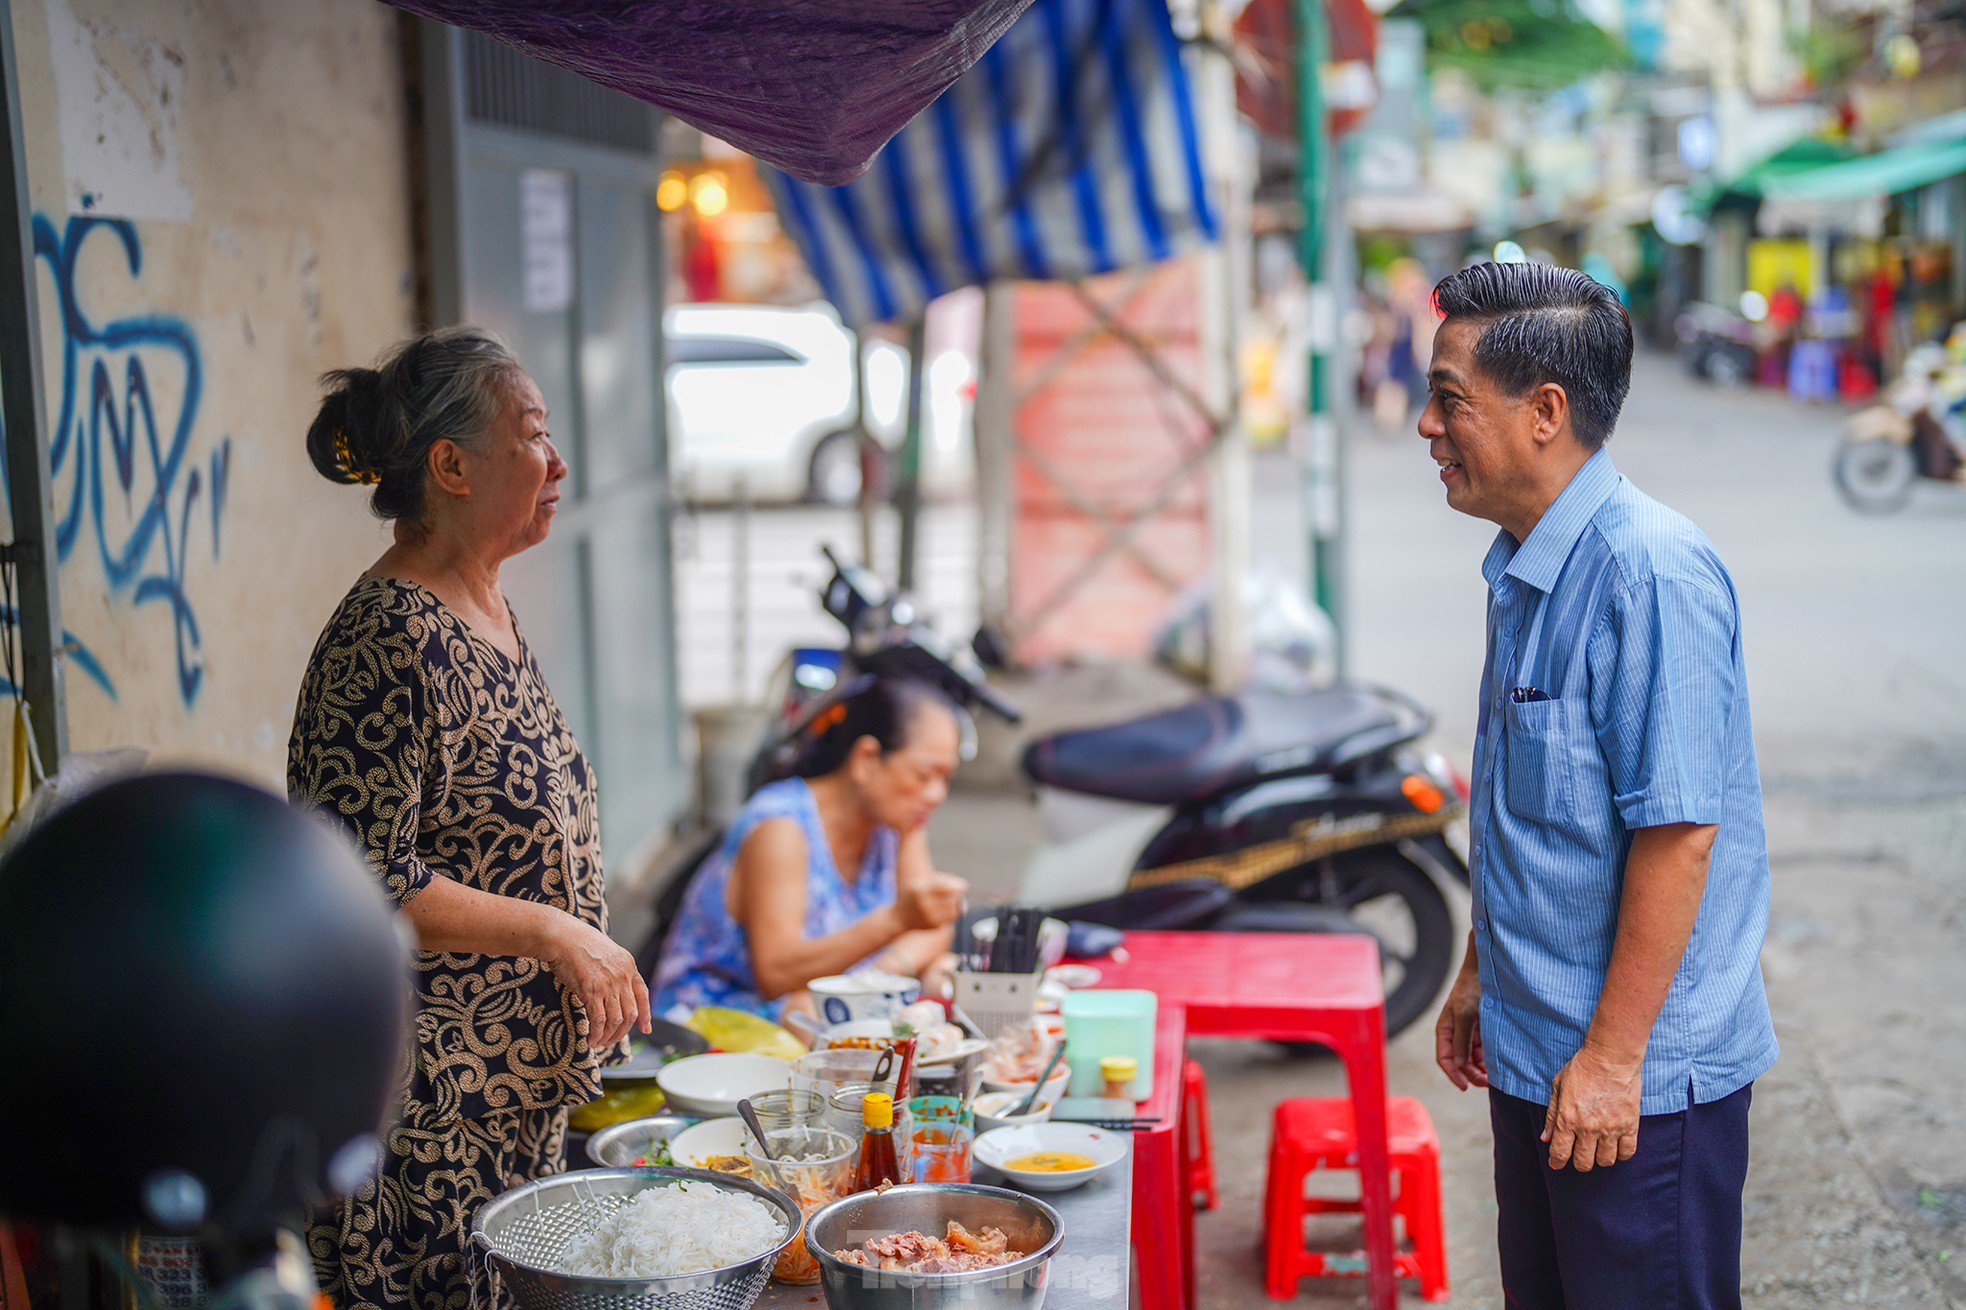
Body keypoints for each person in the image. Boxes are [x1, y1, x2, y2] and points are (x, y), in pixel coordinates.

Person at [1422, 263, 1777, 1308]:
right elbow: (1528, 812)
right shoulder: (1520, 565)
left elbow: (1677, 837)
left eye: (1448, 398)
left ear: (1545, 412)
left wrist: (1615, 1060)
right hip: (1540, 1053)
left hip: (1635, 1084)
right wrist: (1483, 967)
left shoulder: (1648, 573)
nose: (1425, 426)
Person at [288, 328, 649, 1309]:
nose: (558, 460)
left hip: (515, 1093)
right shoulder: (388, 638)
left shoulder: (483, 609)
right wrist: (555, 929)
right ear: (451, 464)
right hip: (432, 1113)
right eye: (532, 434)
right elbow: (358, 879)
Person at [654, 678, 970, 1021]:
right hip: (714, 1021)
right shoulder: (781, 827)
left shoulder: (899, 822)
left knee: (943, 971)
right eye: (924, 776)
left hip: (823, 1002)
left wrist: (877, 976)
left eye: (945, 778)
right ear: (866, 758)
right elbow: (776, 974)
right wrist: (895, 922)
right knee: (809, 1011)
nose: (937, 794)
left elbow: (932, 928)